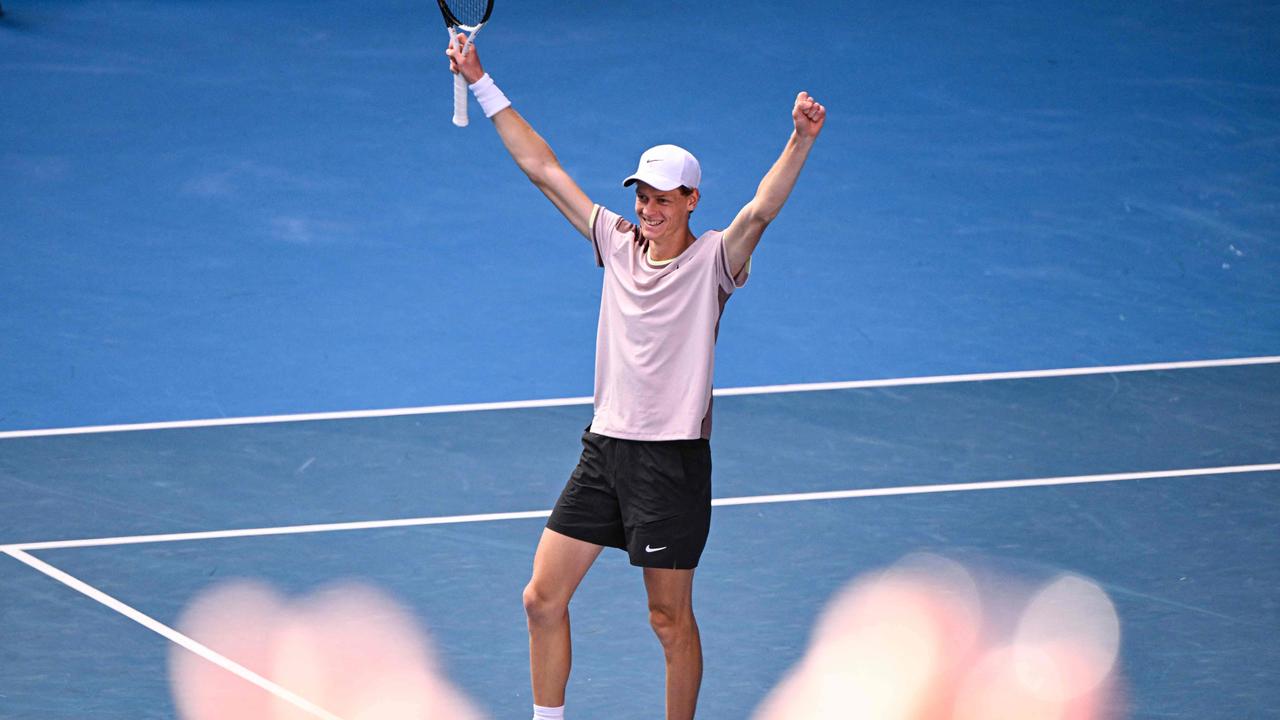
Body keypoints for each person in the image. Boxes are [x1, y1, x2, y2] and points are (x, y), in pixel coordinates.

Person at [446, 34, 826, 720]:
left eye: (661, 199)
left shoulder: (716, 262)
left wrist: (799, 140)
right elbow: (543, 168)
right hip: (605, 450)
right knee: (541, 598)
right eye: (642, 196)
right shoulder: (614, 244)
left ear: (690, 201)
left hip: (671, 462)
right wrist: (480, 80)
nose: (647, 210)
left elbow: (762, 209)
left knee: (668, 621)